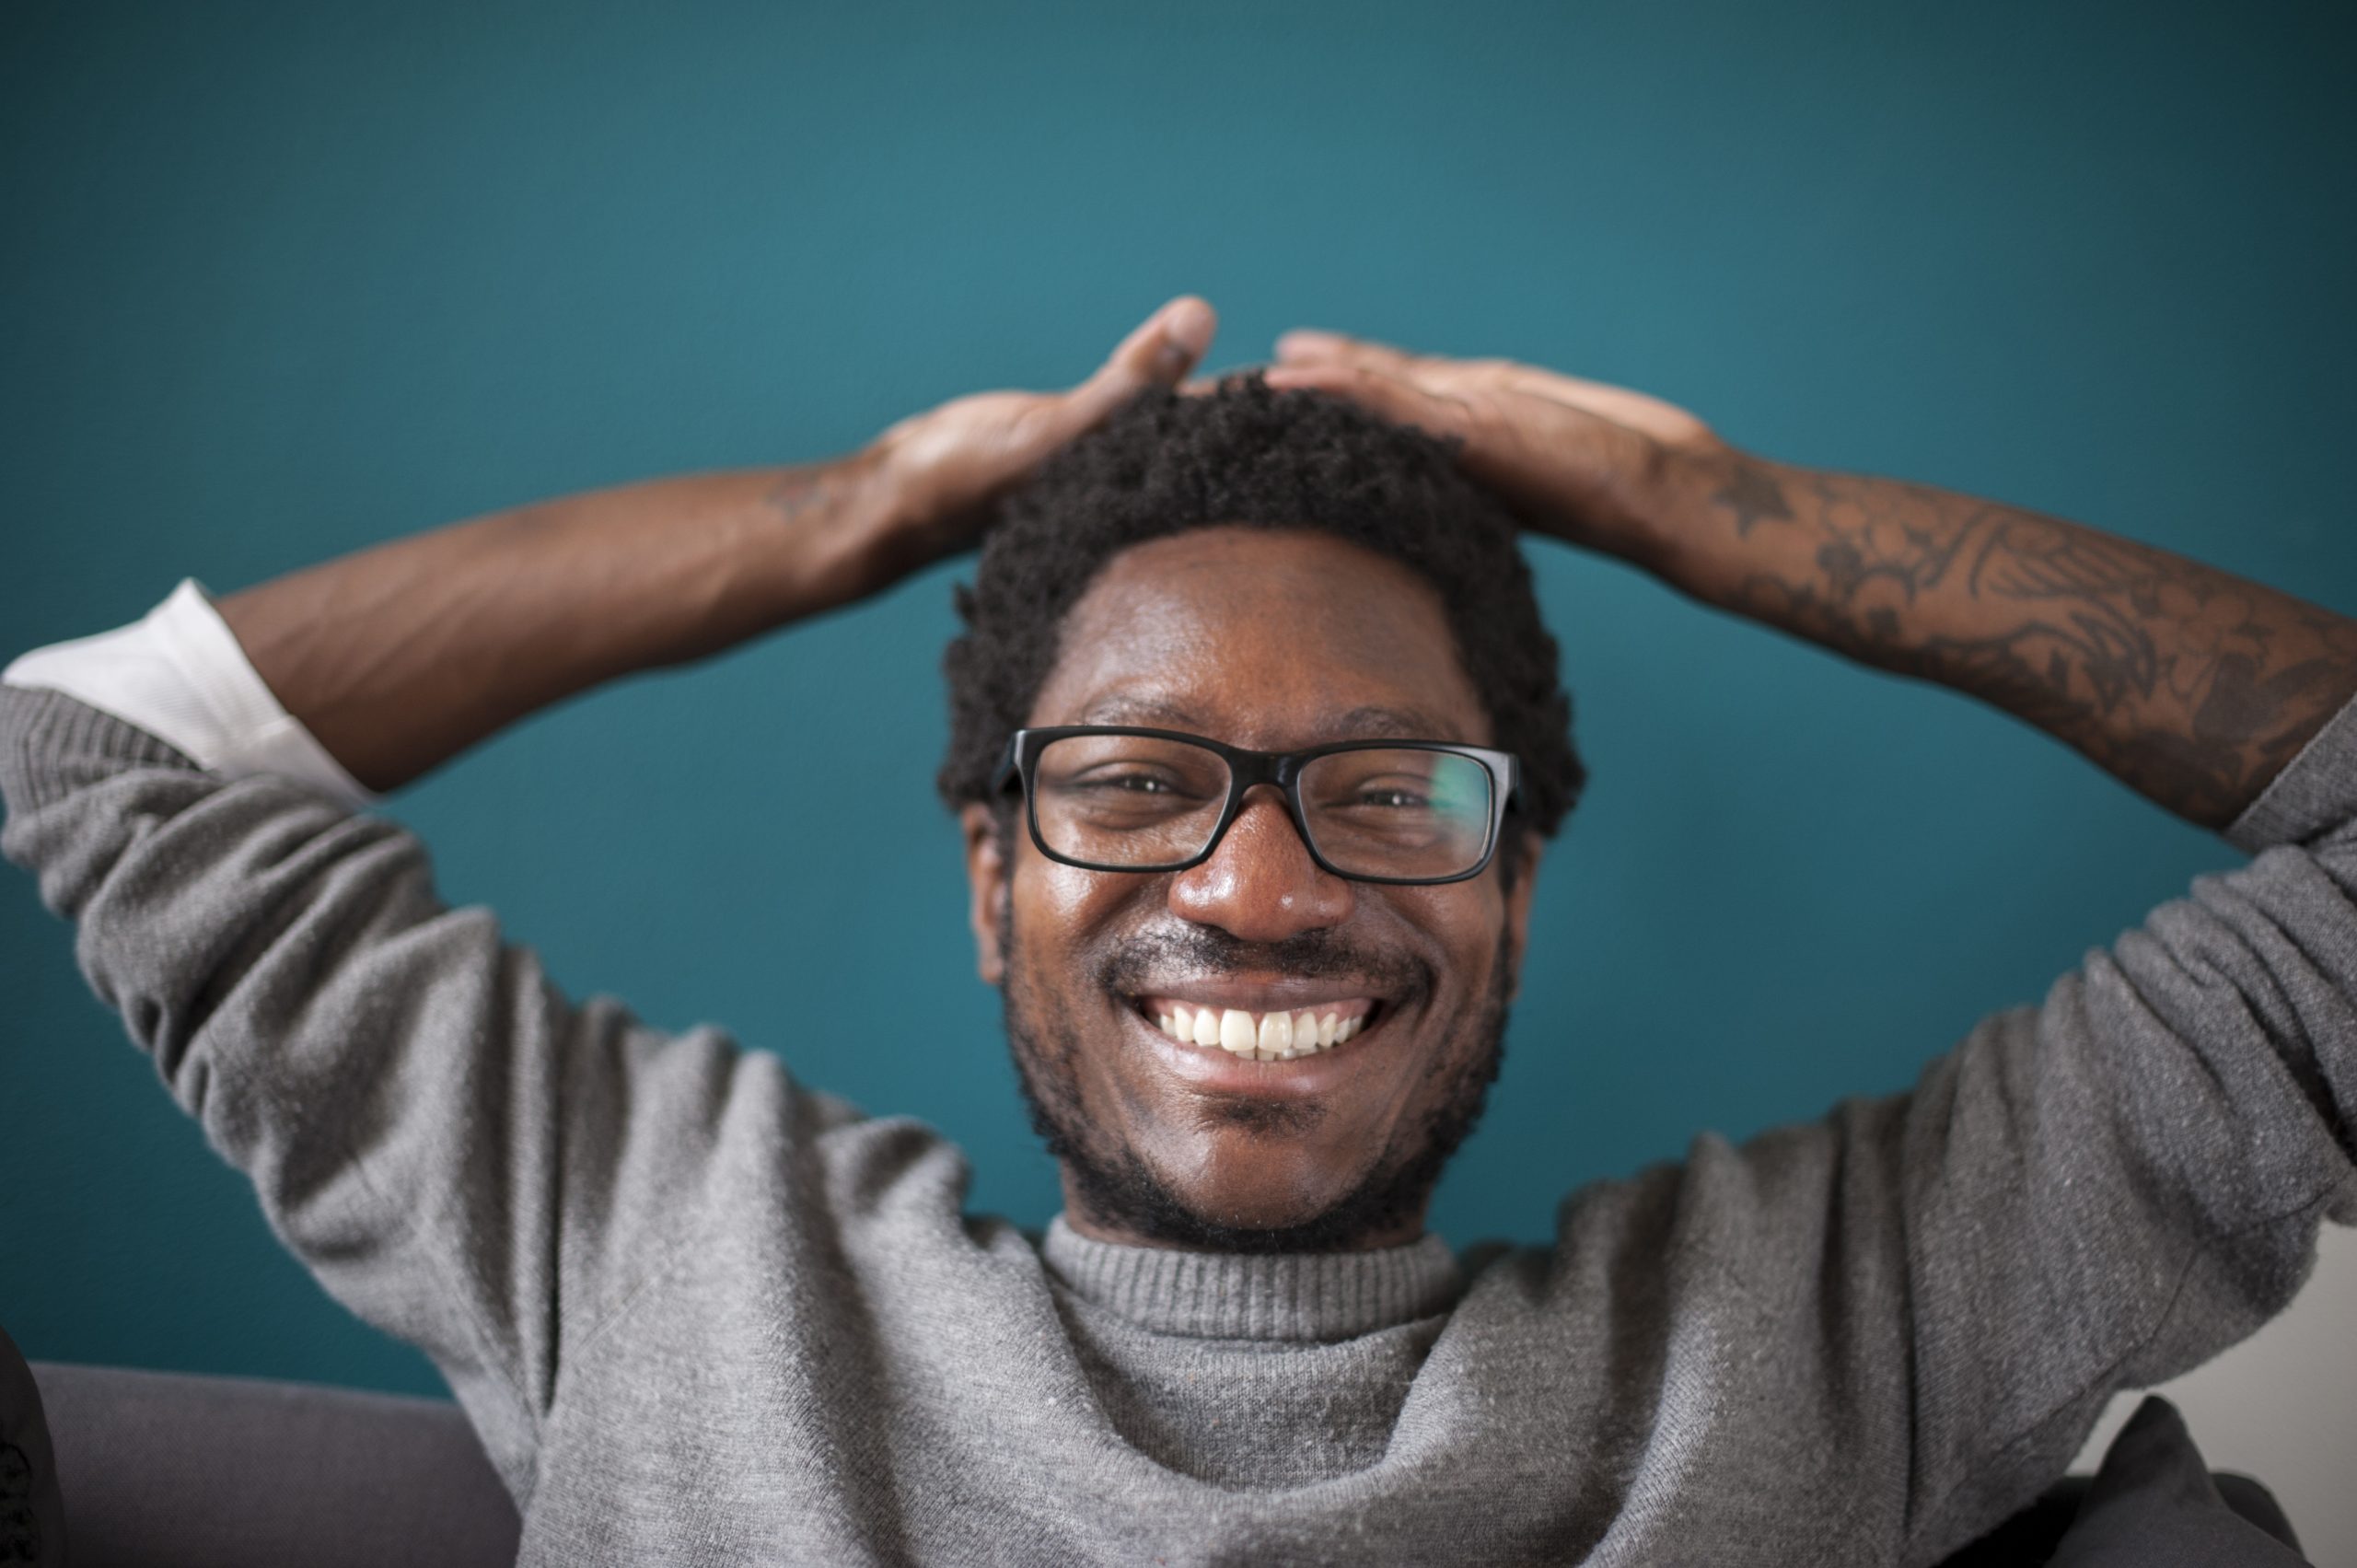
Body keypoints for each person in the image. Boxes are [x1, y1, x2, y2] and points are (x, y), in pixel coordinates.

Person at [2, 296, 2350, 1565]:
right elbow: (99, 742)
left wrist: (1697, 507)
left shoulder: (1827, 1329)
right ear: (987, 876)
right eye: (1128, 788)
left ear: (1511, 876)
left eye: (1388, 792)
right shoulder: (667, 1241)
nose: (1252, 884)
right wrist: (849, 513)